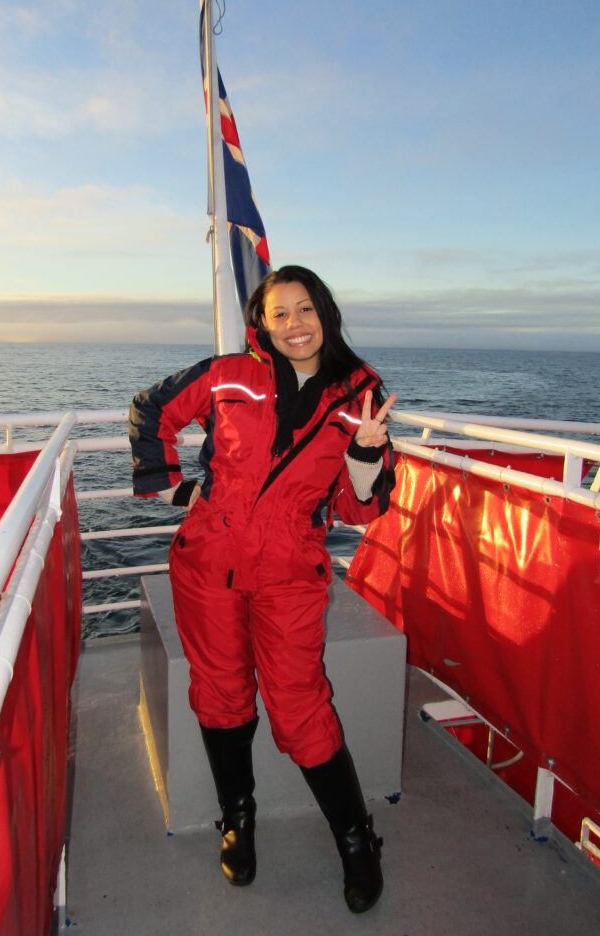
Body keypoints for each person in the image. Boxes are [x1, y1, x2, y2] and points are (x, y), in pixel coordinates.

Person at [129, 264, 397, 913]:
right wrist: (175, 487)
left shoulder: (360, 392)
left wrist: (365, 453)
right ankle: (237, 820)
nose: (294, 324)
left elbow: (362, 510)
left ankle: (357, 840)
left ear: (325, 313)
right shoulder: (228, 375)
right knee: (219, 694)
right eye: (281, 313)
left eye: (305, 310)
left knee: (301, 707)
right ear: (262, 322)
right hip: (208, 559)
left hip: (289, 568)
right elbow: (152, 409)